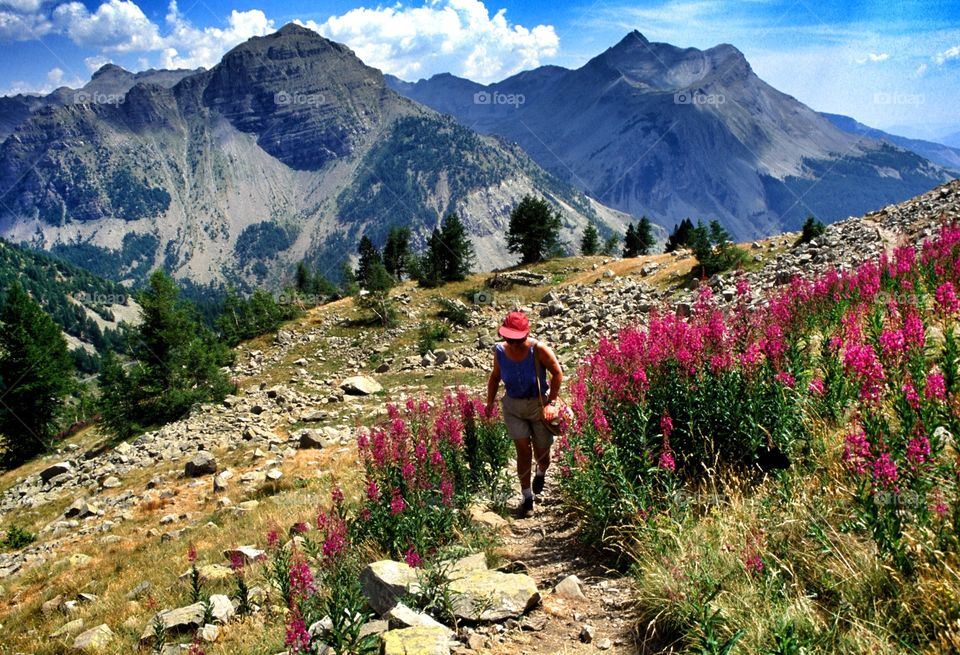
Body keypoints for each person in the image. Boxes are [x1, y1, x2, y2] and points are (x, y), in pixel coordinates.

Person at [485, 311, 563, 517]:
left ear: (525, 334)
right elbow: (495, 377)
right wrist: (489, 403)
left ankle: (541, 472)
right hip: (513, 407)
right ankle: (527, 497)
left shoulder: (538, 349)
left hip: (539, 406)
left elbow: (557, 373)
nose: (513, 342)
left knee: (542, 454)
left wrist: (552, 403)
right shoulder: (500, 351)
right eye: (509, 338)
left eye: (517, 338)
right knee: (523, 450)